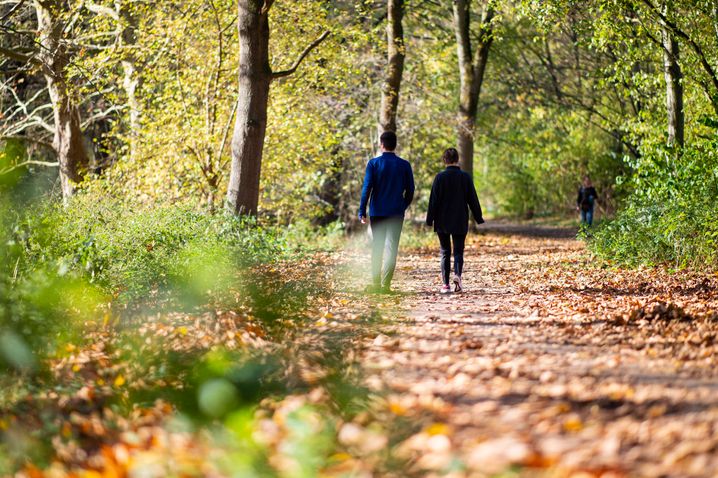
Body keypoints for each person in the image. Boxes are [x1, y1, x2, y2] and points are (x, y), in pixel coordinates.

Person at [358, 131, 415, 293]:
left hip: (377, 212)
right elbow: (410, 190)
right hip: (396, 213)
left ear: (381, 144)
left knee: (377, 247)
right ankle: (386, 286)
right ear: (395, 144)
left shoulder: (373, 164)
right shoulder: (404, 165)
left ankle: (376, 285)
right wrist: (402, 206)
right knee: (391, 249)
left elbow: (366, 188)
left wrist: (362, 210)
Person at [426, 148, 484, 294]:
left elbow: (433, 201)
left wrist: (429, 219)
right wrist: (478, 217)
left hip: (442, 221)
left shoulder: (439, 177)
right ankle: (457, 275)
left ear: (444, 160)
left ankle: (445, 285)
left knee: (445, 252)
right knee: (458, 251)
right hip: (460, 219)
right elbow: (473, 199)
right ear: (457, 159)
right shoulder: (465, 177)